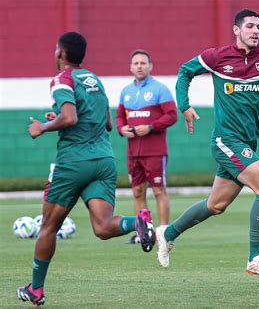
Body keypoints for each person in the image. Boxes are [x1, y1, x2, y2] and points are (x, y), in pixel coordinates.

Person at [17, 32, 156, 307]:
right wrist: (57, 117)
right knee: (103, 227)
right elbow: (104, 123)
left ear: (60, 53)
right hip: (104, 161)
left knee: (47, 228)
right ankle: (137, 223)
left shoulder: (61, 79)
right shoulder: (95, 80)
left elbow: (70, 117)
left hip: (73, 163)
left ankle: (35, 289)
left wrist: (42, 127)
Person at [154, 9, 259, 276]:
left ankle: (168, 233)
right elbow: (185, 72)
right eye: (250, 26)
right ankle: (255, 258)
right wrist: (184, 106)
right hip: (226, 140)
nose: (255, 31)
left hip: (248, 143)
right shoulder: (217, 57)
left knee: (215, 205)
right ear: (236, 30)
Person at [116, 49, 178, 244]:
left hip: (155, 151)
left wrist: (151, 127)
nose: (139, 66)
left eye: (143, 63)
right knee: (137, 192)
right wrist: (121, 129)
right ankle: (144, 233)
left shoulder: (160, 89)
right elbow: (119, 117)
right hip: (133, 153)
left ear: (150, 66)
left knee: (159, 190)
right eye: (136, 63)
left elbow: (172, 115)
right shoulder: (125, 92)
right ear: (131, 67)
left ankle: (163, 232)